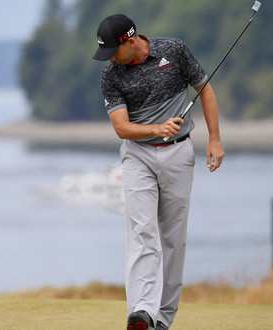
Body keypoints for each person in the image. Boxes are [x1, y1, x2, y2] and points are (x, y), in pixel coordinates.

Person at [92, 14, 224, 330]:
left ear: (130, 40)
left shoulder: (174, 51)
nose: (109, 57)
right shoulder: (111, 75)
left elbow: (204, 89)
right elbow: (122, 128)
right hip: (137, 156)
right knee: (142, 232)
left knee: (173, 239)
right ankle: (141, 313)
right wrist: (157, 127)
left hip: (178, 151)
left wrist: (215, 140)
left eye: (112, 49)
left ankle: (162, 319)